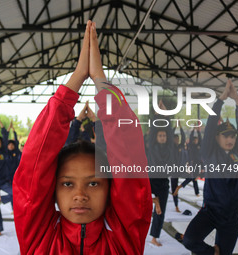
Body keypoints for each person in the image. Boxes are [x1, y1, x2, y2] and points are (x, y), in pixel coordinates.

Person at [13, 20, 152, 254]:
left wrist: (100, 79)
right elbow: (34, 165)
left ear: (111, 189)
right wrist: (76, 78)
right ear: (52, 189)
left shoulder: (123, 240)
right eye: (67, 183)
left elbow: (129, 162)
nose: (80, 195)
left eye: (94, 183)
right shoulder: (39, 238)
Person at [182, 80, 238, 255]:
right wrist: (220, 101)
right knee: (189, 240)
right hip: (211, 211)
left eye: (232, 136)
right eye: (225, 136)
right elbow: (210, 127)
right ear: (217, 139)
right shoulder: (209, 153)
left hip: (231, 217)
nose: (230, 139)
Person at [148, 101, 174, 247]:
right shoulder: (152, 146)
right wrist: (157, 115)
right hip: (150, 180)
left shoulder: (169, 147)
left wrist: (166, 116)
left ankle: (154, 237)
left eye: (164, 135)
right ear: (157, 138)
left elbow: (169, 132)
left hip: (163, 182)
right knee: (141, 206)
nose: (163, 137)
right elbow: (153, 132)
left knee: (160, 211)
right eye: (161, 135)